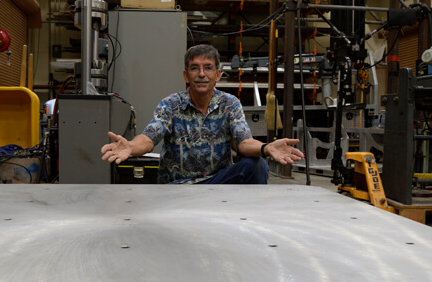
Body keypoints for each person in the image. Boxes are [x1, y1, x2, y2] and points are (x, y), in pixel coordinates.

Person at [101, 44, 305, 184]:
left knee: (256, 165)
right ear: (186, 75)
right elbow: (148, 139)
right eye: (194, 68)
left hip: (216, 184)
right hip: (177, 187)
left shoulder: (229, 103)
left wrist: (267, 147)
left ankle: (249, 220)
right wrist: (131, 147)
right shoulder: (171, 104)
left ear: (217, 75)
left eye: (208, 68)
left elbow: (244, 143)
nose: (201, 74)